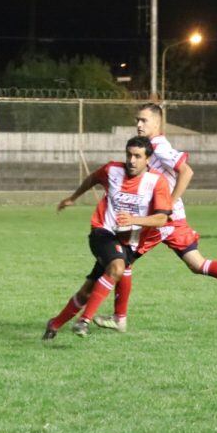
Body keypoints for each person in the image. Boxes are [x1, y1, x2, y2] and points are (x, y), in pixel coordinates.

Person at [93, 103, 217, 333]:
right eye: (137, 120)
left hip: (162, 221)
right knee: (197, 264)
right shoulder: (150, 146)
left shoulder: (158, 146)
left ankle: (119, 318)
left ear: (157, 122)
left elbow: (187, 171)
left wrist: (169, 204)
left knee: (123, 259)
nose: (138, 124)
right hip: (172, 220)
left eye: (144, 120)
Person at [43, 136, 173, 339]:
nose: (131, 160)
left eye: (137, 156)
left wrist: (133, 220)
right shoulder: (112, 170)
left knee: (88, 290)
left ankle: (54, 324)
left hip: (129, 242)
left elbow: (162, 218)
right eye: (129, 155)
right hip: (103, 231)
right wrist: (73, 197)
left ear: (147, 159)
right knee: (118, 268)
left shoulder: (157, 182)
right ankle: (84, 321)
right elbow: (92, 179)